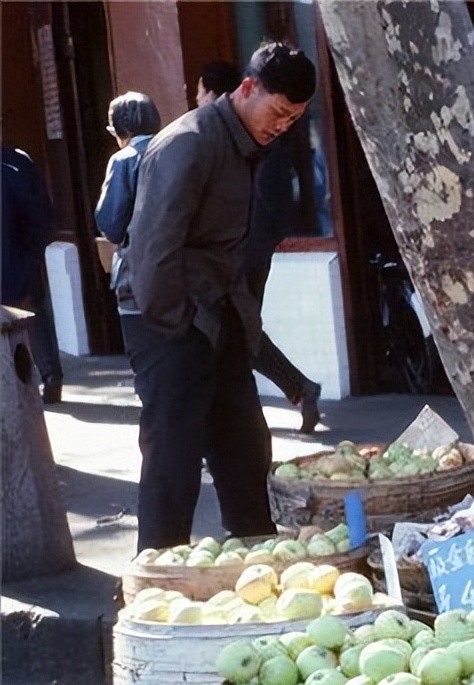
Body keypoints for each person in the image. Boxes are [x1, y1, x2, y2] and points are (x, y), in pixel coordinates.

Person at [124, 41, 316, 552]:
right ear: (247, 89)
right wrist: (176, 323)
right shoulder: (187, 142)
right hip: (165, 312)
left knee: (244, 441)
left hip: (219, 307)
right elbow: (153, 245)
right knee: (174, 449)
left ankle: (257, 551)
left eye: (293, 119)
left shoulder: (253, 146)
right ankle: (158, 572)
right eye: (278, 112)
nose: (282, 125)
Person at [197, 60, 323, 433]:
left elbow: (272, 197)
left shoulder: (250, 137)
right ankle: (299, 388)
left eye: (201, 90)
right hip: (249, 248)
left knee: (237, 332)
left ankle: (283, 398)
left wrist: (254, 242)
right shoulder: (220, 137)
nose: (197, 98)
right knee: (241, 332)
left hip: (244, 251)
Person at [94, 92, 163, 332]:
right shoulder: (176, 149)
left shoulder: (123, 160)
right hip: (182, 270)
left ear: (122, 130)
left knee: (144, 352)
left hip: (137, 274)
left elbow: (111, 225)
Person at [2, 145, 64, 403]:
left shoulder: (14, 163)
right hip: (20, 262)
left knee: (31, 325)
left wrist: (30, 256)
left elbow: (40, 217)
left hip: (17, 264)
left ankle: (48, 379)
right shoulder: (15, 162)